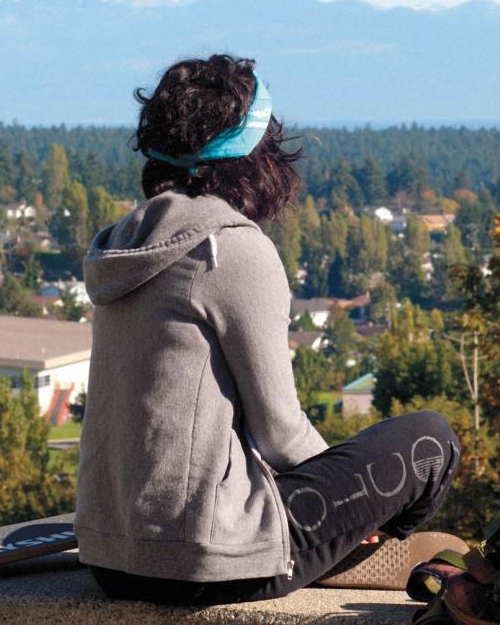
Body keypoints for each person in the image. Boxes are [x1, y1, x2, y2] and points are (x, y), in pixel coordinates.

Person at [75, 54, 461, 604]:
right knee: (431, 439)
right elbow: (280, 432)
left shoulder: (121, 245)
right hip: (203, 560)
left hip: (111, 560)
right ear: (255, 155)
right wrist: (357, 502)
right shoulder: (230, 248)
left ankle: (334, 540)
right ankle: (359, 545)